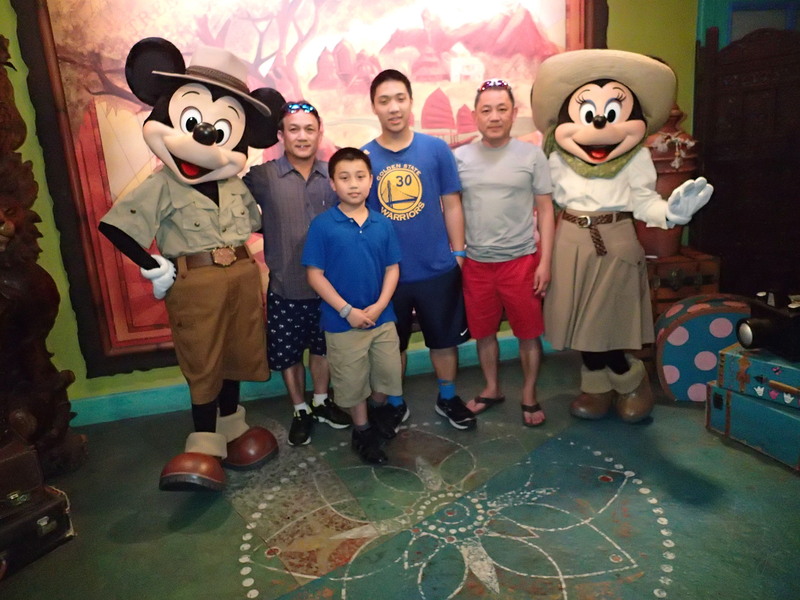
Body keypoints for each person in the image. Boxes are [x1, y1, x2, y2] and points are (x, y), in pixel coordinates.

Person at [530, 49, 712, 423]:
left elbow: (644, 202)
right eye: (587, 113)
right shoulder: (555, 159)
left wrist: (671, 213)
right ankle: (596, 389)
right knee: (581, 327)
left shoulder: (635, 158)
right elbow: (543, 202)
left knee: (605, 327)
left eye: (612, 113)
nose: (599, 123)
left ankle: (631, 383)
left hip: (614, 240)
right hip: (569, 240)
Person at [361, 69, 475, 432]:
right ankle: (396, 403)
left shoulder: (436, 149)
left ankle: (448, 397)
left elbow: (452, 203)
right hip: (387, 275)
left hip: (437, 267)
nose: (393, 108)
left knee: (443, 341)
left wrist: (458, 254)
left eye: (400, 99)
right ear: (374, 107)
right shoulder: (364, 158)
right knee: (391, 346)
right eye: (384, 101)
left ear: (410, 102)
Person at [244, 101, 351, 447]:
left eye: (309, 129)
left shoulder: (333, 175)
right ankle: (300, 409)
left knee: (323, 348)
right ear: (281, 135)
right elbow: (230, 199)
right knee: (289, 355)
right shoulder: (263, 177)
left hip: (329, 289)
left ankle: (320, 401)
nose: (302, 136)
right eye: (293, 129)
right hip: (285, 287)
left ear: (320, 133)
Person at [454, 78, 555, 427]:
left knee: (528, 333)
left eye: (501, 109)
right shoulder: (459, 158)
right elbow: (451, 209)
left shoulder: (532, 155)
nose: (494, 116)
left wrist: (545, 261)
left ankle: (528, 393)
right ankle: (492, 388)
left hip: (521, 262)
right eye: (486, 110)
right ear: (475, 116)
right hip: (477, 264)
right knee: (484, 332)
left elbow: (546, 210)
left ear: (514, 113)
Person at [302, 147, 403, 464]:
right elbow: (314, 275)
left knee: (387, 376)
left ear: (371, 180)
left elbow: (392, 268)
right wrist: (347, 311)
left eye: (360, 176)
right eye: (344, 178)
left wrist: (380, 305)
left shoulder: (382, 223)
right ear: (333, 184)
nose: (353, 184)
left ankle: (376, 414)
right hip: (341, 323)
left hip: (381, 319)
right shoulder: (323, 225)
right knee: (353, 383)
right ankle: (362, 431)